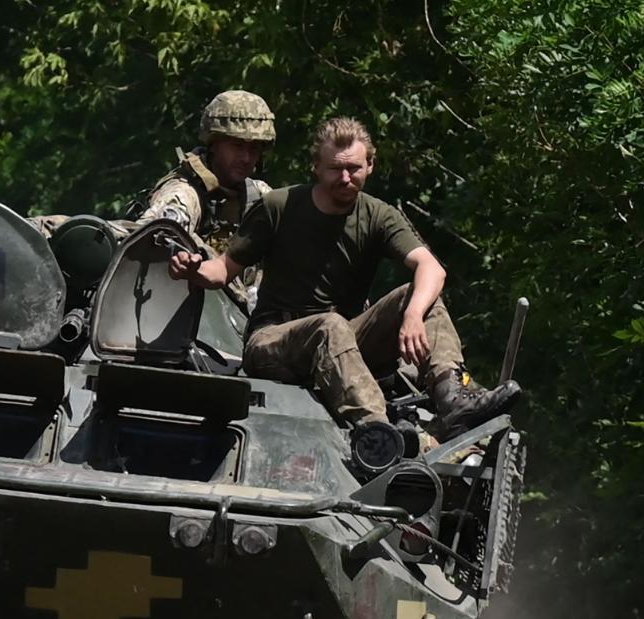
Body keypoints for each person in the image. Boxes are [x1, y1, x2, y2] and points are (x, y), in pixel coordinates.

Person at [167, 116, 521, 439]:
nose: (345, 178)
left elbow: (431, 268)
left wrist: (412, 315)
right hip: (274, 342)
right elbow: (222, 271)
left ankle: (454, 398)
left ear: (370, 165)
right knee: (330, 325)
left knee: (420, 298)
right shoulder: (279, 206)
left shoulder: (379, 215)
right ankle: (377, 430)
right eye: (335, 169)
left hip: (344, 339)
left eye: (354, 168)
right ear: (316, 168)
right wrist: (192, 267)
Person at [135, 90, 275, 259]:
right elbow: (143, 243)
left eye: (254, 148)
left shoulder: (259, 195)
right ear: (213, 144)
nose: (246, 158)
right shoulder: (185, 194)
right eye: (237, 145)